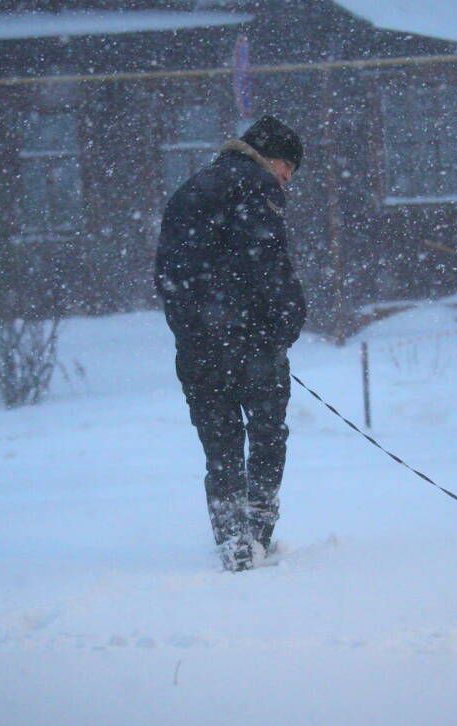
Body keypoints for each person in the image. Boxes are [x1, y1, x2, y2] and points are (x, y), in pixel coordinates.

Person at [154, 115, 307, 571]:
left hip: (199, 348)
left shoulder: (190, 190)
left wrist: (196, 331)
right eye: (289, 172)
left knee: (220, 446)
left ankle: (232, 542)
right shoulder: (257, 188)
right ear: (275, 159)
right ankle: (258, 533)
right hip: (253, 345)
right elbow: (269, 265)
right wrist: (284, 323)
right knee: (266, 436)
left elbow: (168, 278)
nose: (286, 182)